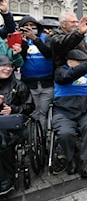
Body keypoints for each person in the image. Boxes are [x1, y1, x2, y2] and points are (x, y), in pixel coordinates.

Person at [52, 49, 87, 178]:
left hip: (84, 111)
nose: (82, 65)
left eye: (83, 63)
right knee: (65, 133)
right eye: (79, 62)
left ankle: (86, 161)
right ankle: (71, 157)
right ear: (69, 62)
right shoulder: (60, 72)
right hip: (64, 112)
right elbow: (68, 76)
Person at [0, 55, 34, 195]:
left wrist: (13, 109)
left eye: (10, 66)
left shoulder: (18, 86)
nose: (8, 69)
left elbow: (30, 106)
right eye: (4, 66)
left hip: (12, 128)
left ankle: (5, 178)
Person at [18, 16, 53, 132]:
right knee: (32, 112)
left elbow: (48, 53)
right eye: (26, 26)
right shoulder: (20, 39)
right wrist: (23, 45)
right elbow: (19, 61)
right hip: (29, 83)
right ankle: (31, 138)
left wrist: (35, 39)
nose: (29, 28)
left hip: (46, 83)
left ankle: (41, 138)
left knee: (42, 112)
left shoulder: (46, 37)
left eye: (32, 26)